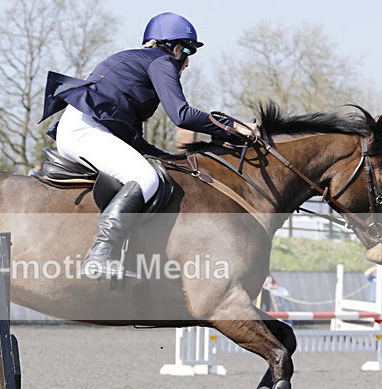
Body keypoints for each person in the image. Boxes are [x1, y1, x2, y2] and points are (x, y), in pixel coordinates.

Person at [40, 12, 258, 279]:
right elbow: (182, 115)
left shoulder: (138, 64)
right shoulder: (162, 62)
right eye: (188, 52)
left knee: (151, 169)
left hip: (85, 128)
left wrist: (169, 158)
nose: (187, 63)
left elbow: (134, 141)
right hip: (85, 130)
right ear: (176, 48)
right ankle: (99, 256)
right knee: (144, 178)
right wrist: (233, 127)